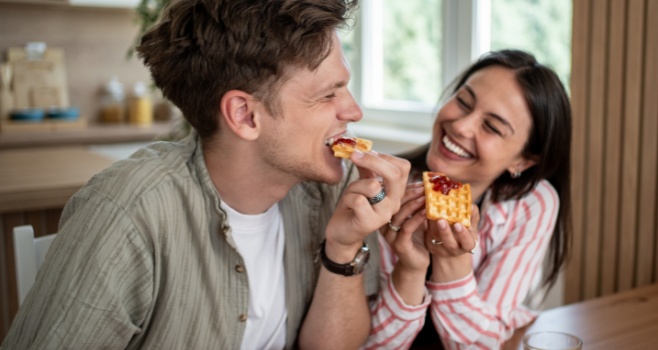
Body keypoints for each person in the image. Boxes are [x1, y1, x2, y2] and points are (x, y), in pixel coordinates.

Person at [2, 0, 410, 349]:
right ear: (245, 115)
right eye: (328, 94)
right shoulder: (126, 214)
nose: (354, 111)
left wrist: (343, 246)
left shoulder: (333, 194)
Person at [362, 50, 572, 349]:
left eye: (492, 127)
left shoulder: (531, 204)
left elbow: (482, 345)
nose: (461, 126)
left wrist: (453, 262)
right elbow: (368, 344)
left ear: (523, 161)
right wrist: (410, 269)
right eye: (463, 102)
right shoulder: (381, 188)